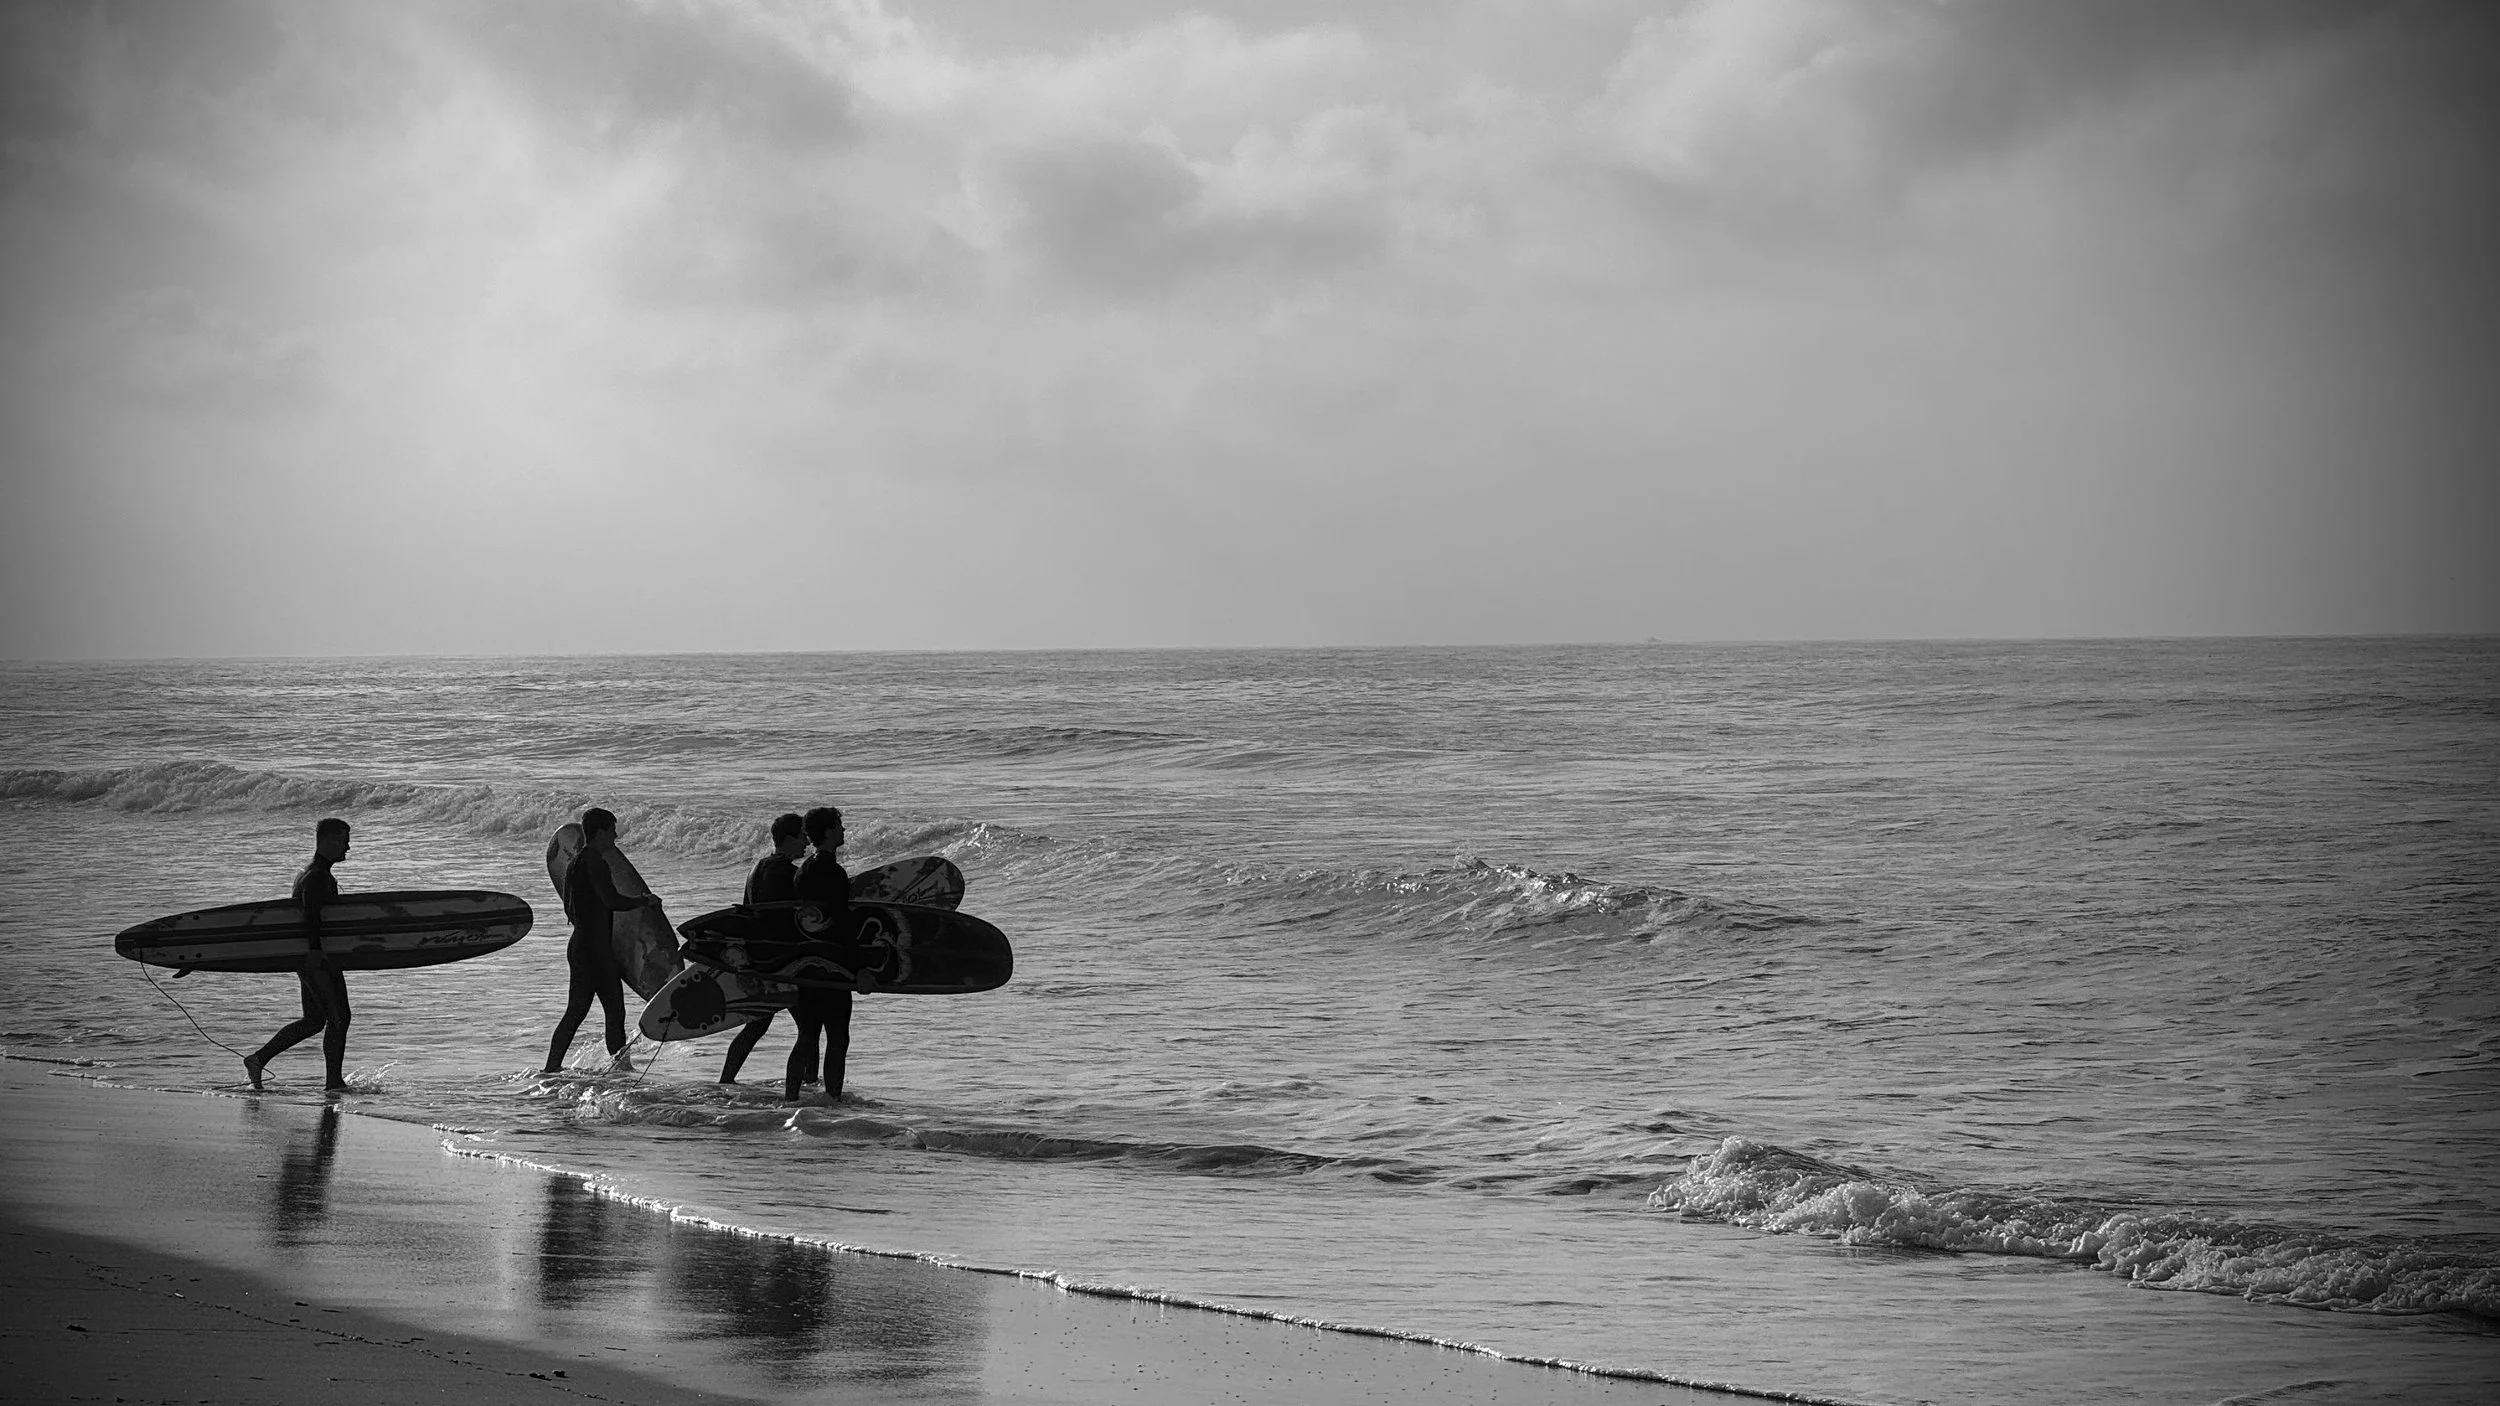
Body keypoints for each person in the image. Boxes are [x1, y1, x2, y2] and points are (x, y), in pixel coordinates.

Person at [543, 807, 660, 1075]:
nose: (616, 836)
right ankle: (621, 1070)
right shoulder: (595, 862)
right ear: (600, 832)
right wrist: (645, 900)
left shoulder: (575, 862)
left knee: (576, 1012)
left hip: (581, 945)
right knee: (614, 1012)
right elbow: (612, 900)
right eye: (612, 830)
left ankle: (551, 1068)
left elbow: (575, 908)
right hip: (595, 949)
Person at [245, 817, 353, 1092]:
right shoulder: (317, 876)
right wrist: (316, 951)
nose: (348, 847)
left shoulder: (311, 872)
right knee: (339, 1017)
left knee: (315, 1020)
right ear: (328, 841)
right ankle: (333, 1082)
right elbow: (310, 917)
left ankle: (258, 1059)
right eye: (343, 840)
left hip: (308, 957)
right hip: (316, 958)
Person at [718, 812, 805, 1085]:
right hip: (783, 963)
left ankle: (726, 1079)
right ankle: (808, 1084)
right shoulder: (791, 874)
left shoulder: (756, 868)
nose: (806, 842)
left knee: (757, 1024)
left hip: (758, 957)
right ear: (789, 839)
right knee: (808, 1027)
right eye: (802, 837)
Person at [785, 805, 854, 1102]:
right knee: (837, 1037)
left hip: (805, 964)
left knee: (808, 1034)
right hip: (833, 966)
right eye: (839, 826)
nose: (843, 830)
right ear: (827, 832)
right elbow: (842, 924)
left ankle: (790, 1098)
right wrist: (859, 967)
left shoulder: (802, 872)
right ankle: (832, 1099)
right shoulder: (834, 873)